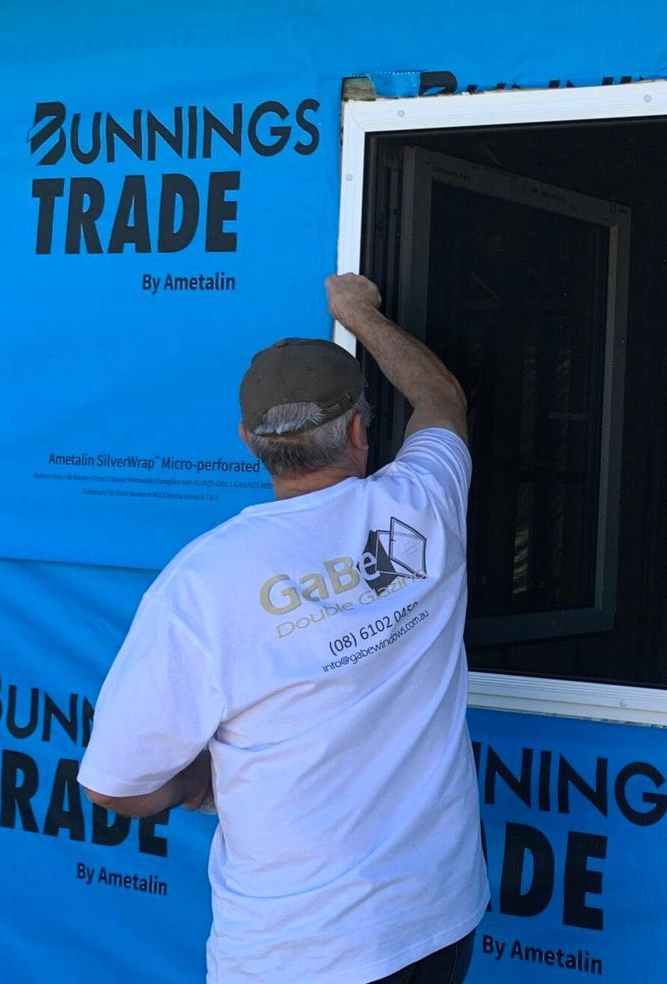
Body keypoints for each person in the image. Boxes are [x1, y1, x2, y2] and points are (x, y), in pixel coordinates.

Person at [79, 273, 488, 984]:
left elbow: (114, 787)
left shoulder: (205, 583)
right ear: (360, 431)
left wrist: (201, 785)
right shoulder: (419, 507)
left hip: (298, 956)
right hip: (435, 923)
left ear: (250, 442)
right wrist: (357, 315)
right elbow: (440, 400)